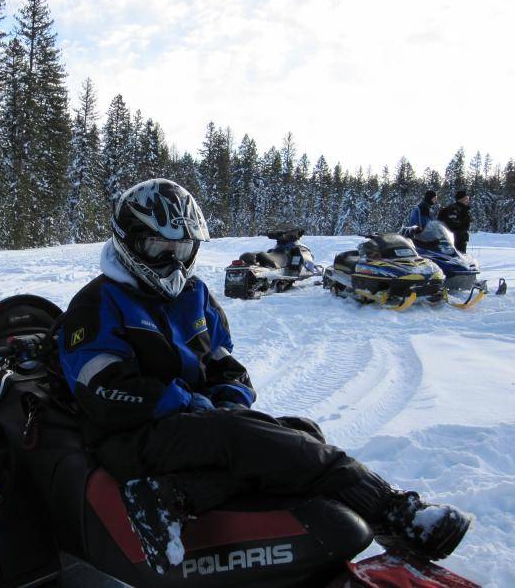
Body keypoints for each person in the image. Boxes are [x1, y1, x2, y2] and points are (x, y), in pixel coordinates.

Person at [58, 178, 471, 572]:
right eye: (158, 247)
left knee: (299, 431)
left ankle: (179, 495)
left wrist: (227, 401)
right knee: (244, 438)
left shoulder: (194, 295)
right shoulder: (97, 304)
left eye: (181, 249)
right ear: (129, 243)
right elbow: (105, 392)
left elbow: (227, 366)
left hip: (190, 427)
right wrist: (195, 408)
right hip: (129, 437)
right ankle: (392, 510)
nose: (171, 261)